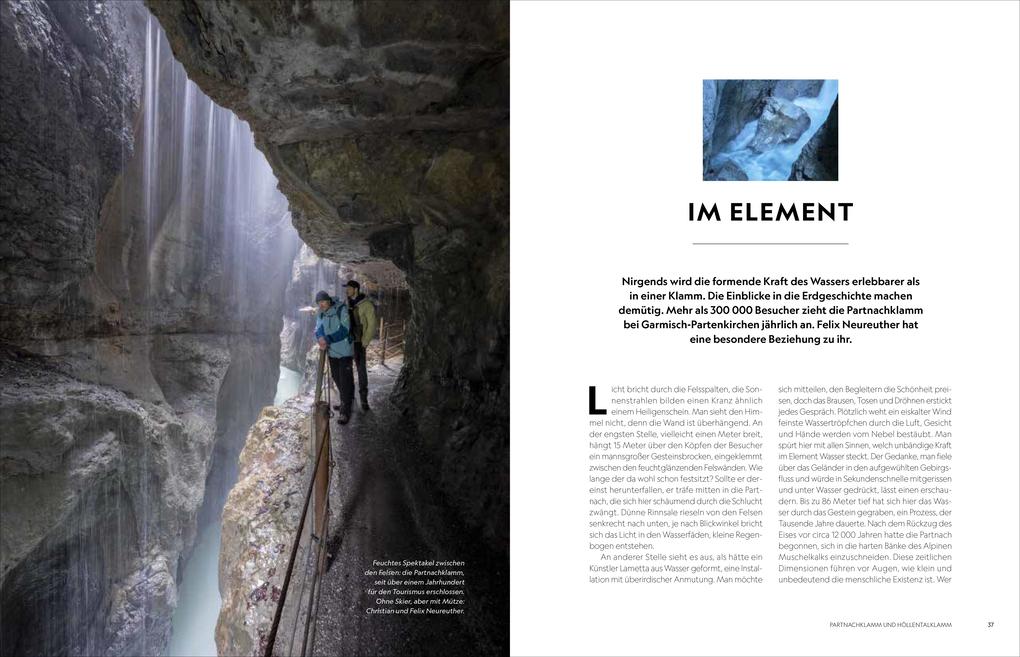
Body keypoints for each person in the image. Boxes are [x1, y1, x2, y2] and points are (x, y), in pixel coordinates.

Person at [314, 290, 354, 424]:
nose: (321, 305)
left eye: (323, 302)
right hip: (332, 352)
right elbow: (318, 328)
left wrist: (327, 339)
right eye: (319, 303)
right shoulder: (321, 313)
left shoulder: (341, 309)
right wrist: (320, 337)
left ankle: (345, 412)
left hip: (345, 352)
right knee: (337, 378)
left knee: (345, 380)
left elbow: (345, 329)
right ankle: (346, 400)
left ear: (329, 300)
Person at [345, 279, 377, 411]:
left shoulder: (366, 304)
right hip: (347, 342)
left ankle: (364, 399)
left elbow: (372, 324)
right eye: (346, 288)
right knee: (347, 370)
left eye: (349, 288)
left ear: (356, 289)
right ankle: (349, 398)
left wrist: (365, 341)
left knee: (361, 370)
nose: (347, 290)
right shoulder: (347, 303)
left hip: (359, 342)